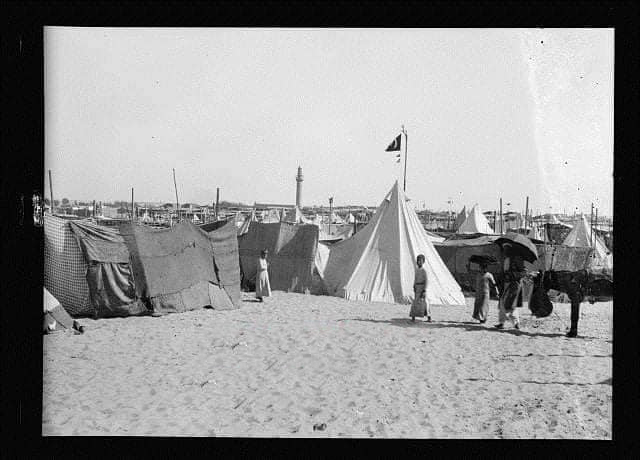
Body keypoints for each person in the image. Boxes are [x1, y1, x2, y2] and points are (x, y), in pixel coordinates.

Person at [495, 243, 526, 330]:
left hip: (514, 284)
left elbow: (523, 272)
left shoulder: (517, 260)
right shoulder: (506, 259)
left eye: (506, 249)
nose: (505, 251)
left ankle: (516, 323)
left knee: (512, 304)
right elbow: (504, 272)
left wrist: (511, 274)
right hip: (505, 284)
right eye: (504, 249)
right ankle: (502, 323)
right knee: (503, 303)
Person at [410, 254, 431, 322]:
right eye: (418, 260)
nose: (419, 262)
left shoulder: (424, 270)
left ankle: (429, 317)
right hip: (417, 287)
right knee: (415, 302)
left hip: (422, 287)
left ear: (423, 262)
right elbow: (415, 279)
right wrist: (414, 286)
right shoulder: (417, 270)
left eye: (421, 261)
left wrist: (424, 290)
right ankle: (413, 316)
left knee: (425, 302)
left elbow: (426, 280)